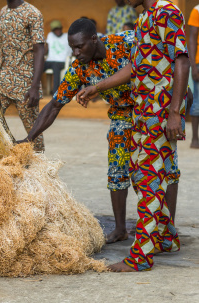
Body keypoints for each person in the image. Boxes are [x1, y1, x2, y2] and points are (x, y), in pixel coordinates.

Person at [78, 0, 190, 272]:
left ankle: (140, 257)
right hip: (142, 114)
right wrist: (96, 86)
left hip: (159, 114)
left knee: (150, 180)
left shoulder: (168, 12)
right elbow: (134, 68)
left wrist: (174, 113)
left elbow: (182, 61)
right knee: (145, 177)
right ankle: (166, 238)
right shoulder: (143, 20)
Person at [19, 18, 136, 244]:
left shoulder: (126, 41)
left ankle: (164, 229)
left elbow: (160, 57)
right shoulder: (79, 68)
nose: (75, 52)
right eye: (72, 47)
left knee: (155, 170)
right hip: (121, 115)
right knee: (116, 170)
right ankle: (120, 228)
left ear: (94, 39)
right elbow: (54, 105)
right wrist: (29, 138)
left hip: (148, 110)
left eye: (79, 46)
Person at [0, 0, 46, 152]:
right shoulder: (3, 12)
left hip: (25, 82)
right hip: (3, 78)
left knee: (34, 130)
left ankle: (40, 166)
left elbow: (39, 50)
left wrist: (35, 86)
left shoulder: (33, 14)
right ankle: (6, 151)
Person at [44, 20, 72, 94]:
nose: (57, 31)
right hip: (50, 61)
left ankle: (55, 92)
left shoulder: (67, 36)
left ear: (61, 28)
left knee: (56, 67)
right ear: (52, 30)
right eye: (55, 29)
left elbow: (72, 50)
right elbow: (46, 50)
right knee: (38, 66)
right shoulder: (50, 35)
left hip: (61, 62)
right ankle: (33, 90)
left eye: (59, 29)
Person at [187, 4, 199, 148]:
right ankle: (195, 139)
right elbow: (192, 38)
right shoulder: (197, 10)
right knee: (197, 101)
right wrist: (193, 66)